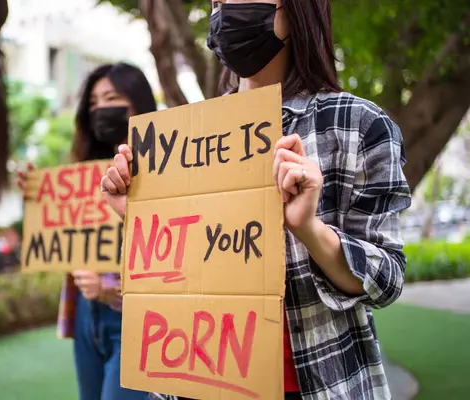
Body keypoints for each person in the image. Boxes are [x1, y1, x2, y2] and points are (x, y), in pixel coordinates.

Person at [100, 1, 412, 400]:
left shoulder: (359, 125)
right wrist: (141, 214)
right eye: (217, 2)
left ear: (295, 10)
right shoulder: (183, 138)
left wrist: (310, 230)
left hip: (314, 387)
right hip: (196, 381)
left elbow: (387, 279)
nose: (225, 9)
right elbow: (182, 267)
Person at [17, 62, 156, 400]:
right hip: (85, 317)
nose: (99, 109)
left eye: (110, 98)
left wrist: (109, 287)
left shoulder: (166, 171)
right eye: (93, 103)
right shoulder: (83, 175)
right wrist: (40, 199)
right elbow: (69, 243)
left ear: (139, 104)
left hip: (135, 323)